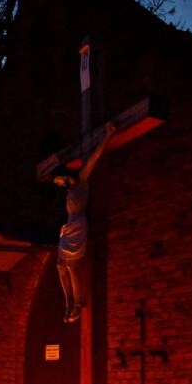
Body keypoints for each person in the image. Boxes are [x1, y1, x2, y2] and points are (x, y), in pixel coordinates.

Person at [52, 123, 115, 322]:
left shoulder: (82, 180)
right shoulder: (69, 189)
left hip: (79, 225)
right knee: (61, 266)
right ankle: (68, 301)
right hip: (68, 228)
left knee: (71, 267)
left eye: (62, 178)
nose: (61, 181)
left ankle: (77, 303)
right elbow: (55, 178)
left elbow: (95, 156)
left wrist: (107, 135)